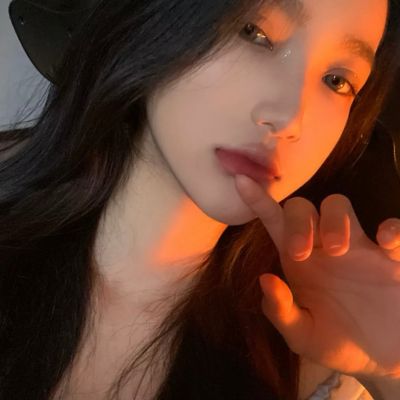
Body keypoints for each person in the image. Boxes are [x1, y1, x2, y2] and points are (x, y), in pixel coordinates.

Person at [0, 0, 400, 399]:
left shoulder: (320, 352)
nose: (290, 118)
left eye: (337, 81)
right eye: (255, 33)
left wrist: (390, 374)